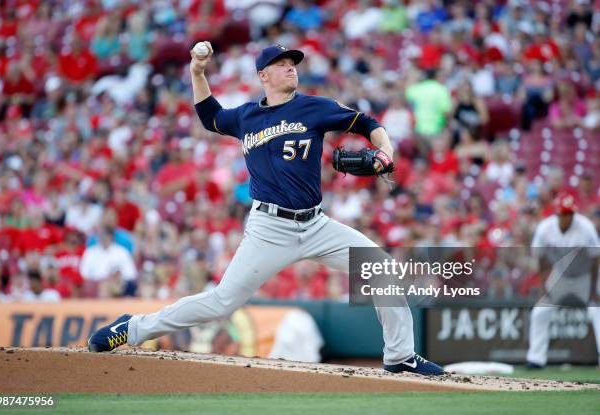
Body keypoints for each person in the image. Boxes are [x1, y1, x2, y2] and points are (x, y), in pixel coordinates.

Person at [88, 43, 444, 376]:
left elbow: (368, 124)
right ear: (264, 76)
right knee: (221, 303)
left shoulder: (314, 107)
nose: (291, 69)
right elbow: (210, 116)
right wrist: (197, 73)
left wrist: (386, 151)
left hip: (316, 224)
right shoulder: (246, 117)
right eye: (283, 65)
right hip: (269, 228)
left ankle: (400, 357)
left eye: (293, 65)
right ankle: (131, 328)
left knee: (381, 270)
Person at [526, 193, 600, 368]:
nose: (567, 217)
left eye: (569, 214)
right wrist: (543, 286)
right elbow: (540, 258)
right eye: (563, 213)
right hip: (559, 275)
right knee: (540, 312)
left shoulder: (586, 227)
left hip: (585, 276)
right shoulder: (545, 228)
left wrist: (593, 290)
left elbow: (596, 259)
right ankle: (536, 359)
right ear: (557, 214)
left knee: (598, 311)